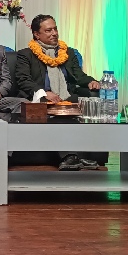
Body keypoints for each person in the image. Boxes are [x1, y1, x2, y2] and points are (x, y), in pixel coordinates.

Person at [15, 14, 101, 171]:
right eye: (48, 30)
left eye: (55, 29)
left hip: (66, 96)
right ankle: (71, 156)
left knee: (82, 103)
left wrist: (91, 82)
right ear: (36, 34)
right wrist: (43, 92)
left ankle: (77, 156)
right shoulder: (26, 54)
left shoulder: (68, 53)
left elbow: (79, 76)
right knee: (53, 108)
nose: (54, 33)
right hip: (41, 99)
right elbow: (23, 80)